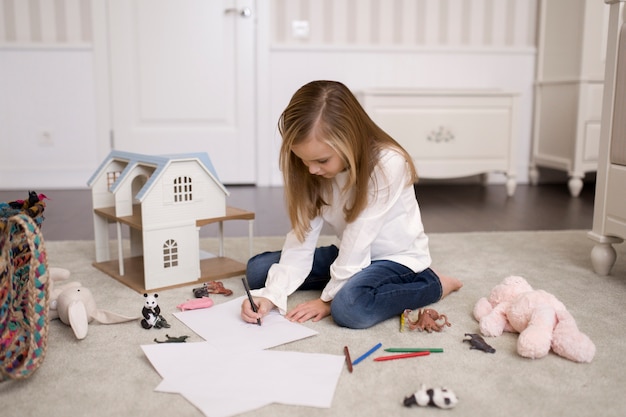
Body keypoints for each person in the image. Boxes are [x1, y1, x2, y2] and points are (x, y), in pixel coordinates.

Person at [241, 80, 462, 329]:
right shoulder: (313, 172)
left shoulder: (388, 163)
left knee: (349, 308)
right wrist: (271, 295)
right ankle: (349, 283)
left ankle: (433, 284)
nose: (312, 169)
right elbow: (303, 238)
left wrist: (327, 300)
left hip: (396, 258)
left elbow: (360, 234)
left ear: (349, 140)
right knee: (258, 271)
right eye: (303, 161)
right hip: (355, 253)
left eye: (321, 160)